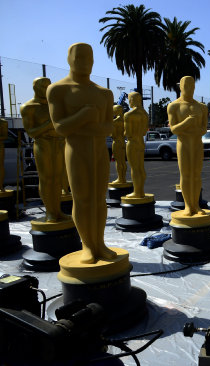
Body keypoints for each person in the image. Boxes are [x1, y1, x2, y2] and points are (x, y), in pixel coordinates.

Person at [47, 42, 117, 264]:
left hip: (99, 151)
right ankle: (87, 245)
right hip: (76, 150)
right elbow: (60, 127)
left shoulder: (103, 93)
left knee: (100, 200)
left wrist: (88, 126)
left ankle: (100, 243)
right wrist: (84, 116)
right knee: (83, 199)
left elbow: (109, 127)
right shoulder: (59, 90)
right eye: (79, 58)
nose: (85, 63)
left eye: (89, 58)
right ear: (69, 60)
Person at [21, 77, 69, 222]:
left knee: (57, 178)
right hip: (43, 144)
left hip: (58, 143)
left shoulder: (54, 105)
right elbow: (31, 132)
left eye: (48, 86)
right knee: (47, 178)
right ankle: (50, 212)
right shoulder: (29, 107)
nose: (46, 89)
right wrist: (49, 125)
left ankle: (57, 211)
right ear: (35, 88)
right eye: (43, 87)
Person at [167, 76, 208, 216]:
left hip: (197, 144)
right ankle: (188, 206)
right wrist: (187, 123)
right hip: (183, 144)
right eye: (186, 85)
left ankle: (196, 205)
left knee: (196, 175)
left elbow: (204, 129)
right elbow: (173, 129)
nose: (190, 88)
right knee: (185, 175)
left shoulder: (201, 107)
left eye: (192, 85)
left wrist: (193, 128)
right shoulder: (174, 106)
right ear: (180, 87)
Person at [124, 92, 149, 198]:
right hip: (140, 142)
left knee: (134, 168)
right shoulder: (144, 114)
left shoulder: (129, 115)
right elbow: (144, 132)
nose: (129, 102)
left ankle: (137, 192)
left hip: (132, 142)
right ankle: (141, 190)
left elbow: (127, 133)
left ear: (132, 100)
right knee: (140, 167)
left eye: (129, 99)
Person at [111, 104, 127, 184]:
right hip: (123, 141)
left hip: (117, 141)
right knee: (123, 161)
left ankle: (120, 178)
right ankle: (123, 177)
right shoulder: (124, 120)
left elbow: (113, 134)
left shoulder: (115, 122)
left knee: (118, 161)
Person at [0, 118, 8, 192]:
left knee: (0, 166)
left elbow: (5, 136)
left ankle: (1, 186)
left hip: (0, 146)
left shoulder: (3, 122)